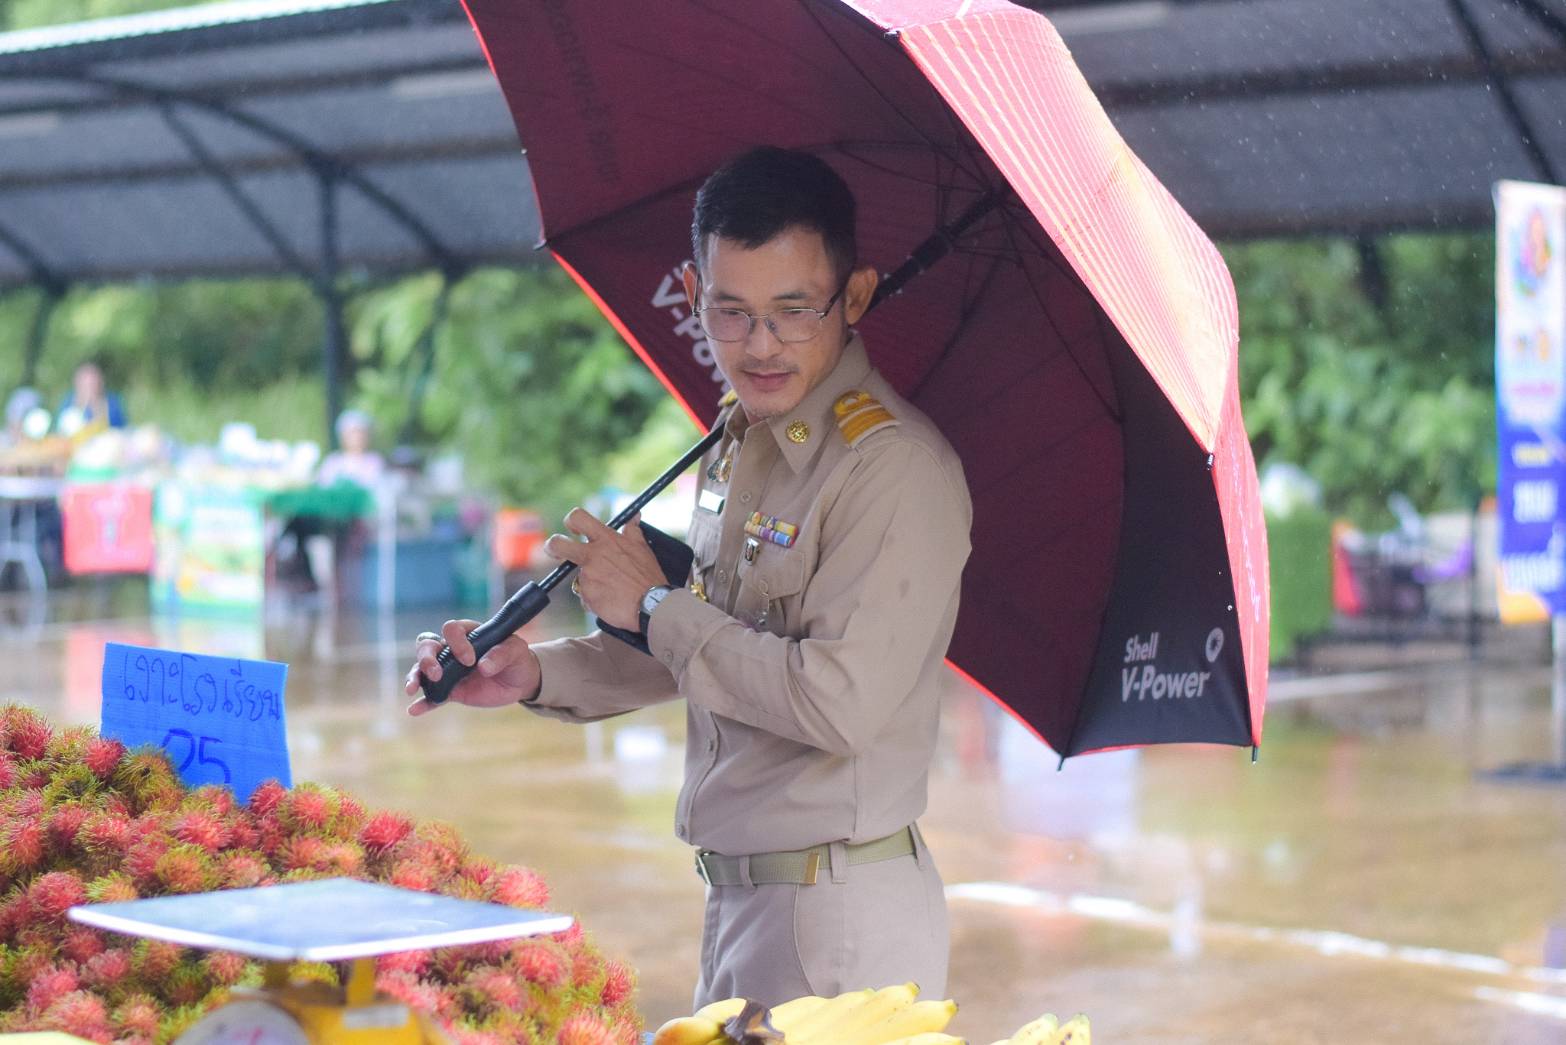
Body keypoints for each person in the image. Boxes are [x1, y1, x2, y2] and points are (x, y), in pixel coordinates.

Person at [405, 147, 973, 1005]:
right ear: (695, 292)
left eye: (794, 311)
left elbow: (835, 700)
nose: (760, 345)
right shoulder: (739, 440)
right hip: (738, 899)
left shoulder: (892, 471)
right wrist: (537, 671)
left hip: (838, 922)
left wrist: (654, 602)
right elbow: (711, 647)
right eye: (730, 312)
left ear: (854, 296)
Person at [54, 361, 127, 437]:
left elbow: (121, 428)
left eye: (93, 383)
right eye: (86, 385)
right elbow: (61, 431)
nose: (91, 388)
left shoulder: (112, 402)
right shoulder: (68, 404)